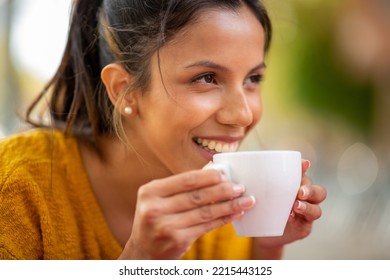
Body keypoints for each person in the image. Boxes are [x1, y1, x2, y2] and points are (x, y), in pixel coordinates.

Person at [0, 0, 327, 260]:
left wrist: (266, 250)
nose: (243, 114)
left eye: (252, 79)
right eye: (207, 78)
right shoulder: (18, 186)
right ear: (124, 90)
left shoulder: (226, 207)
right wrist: (138, 262)